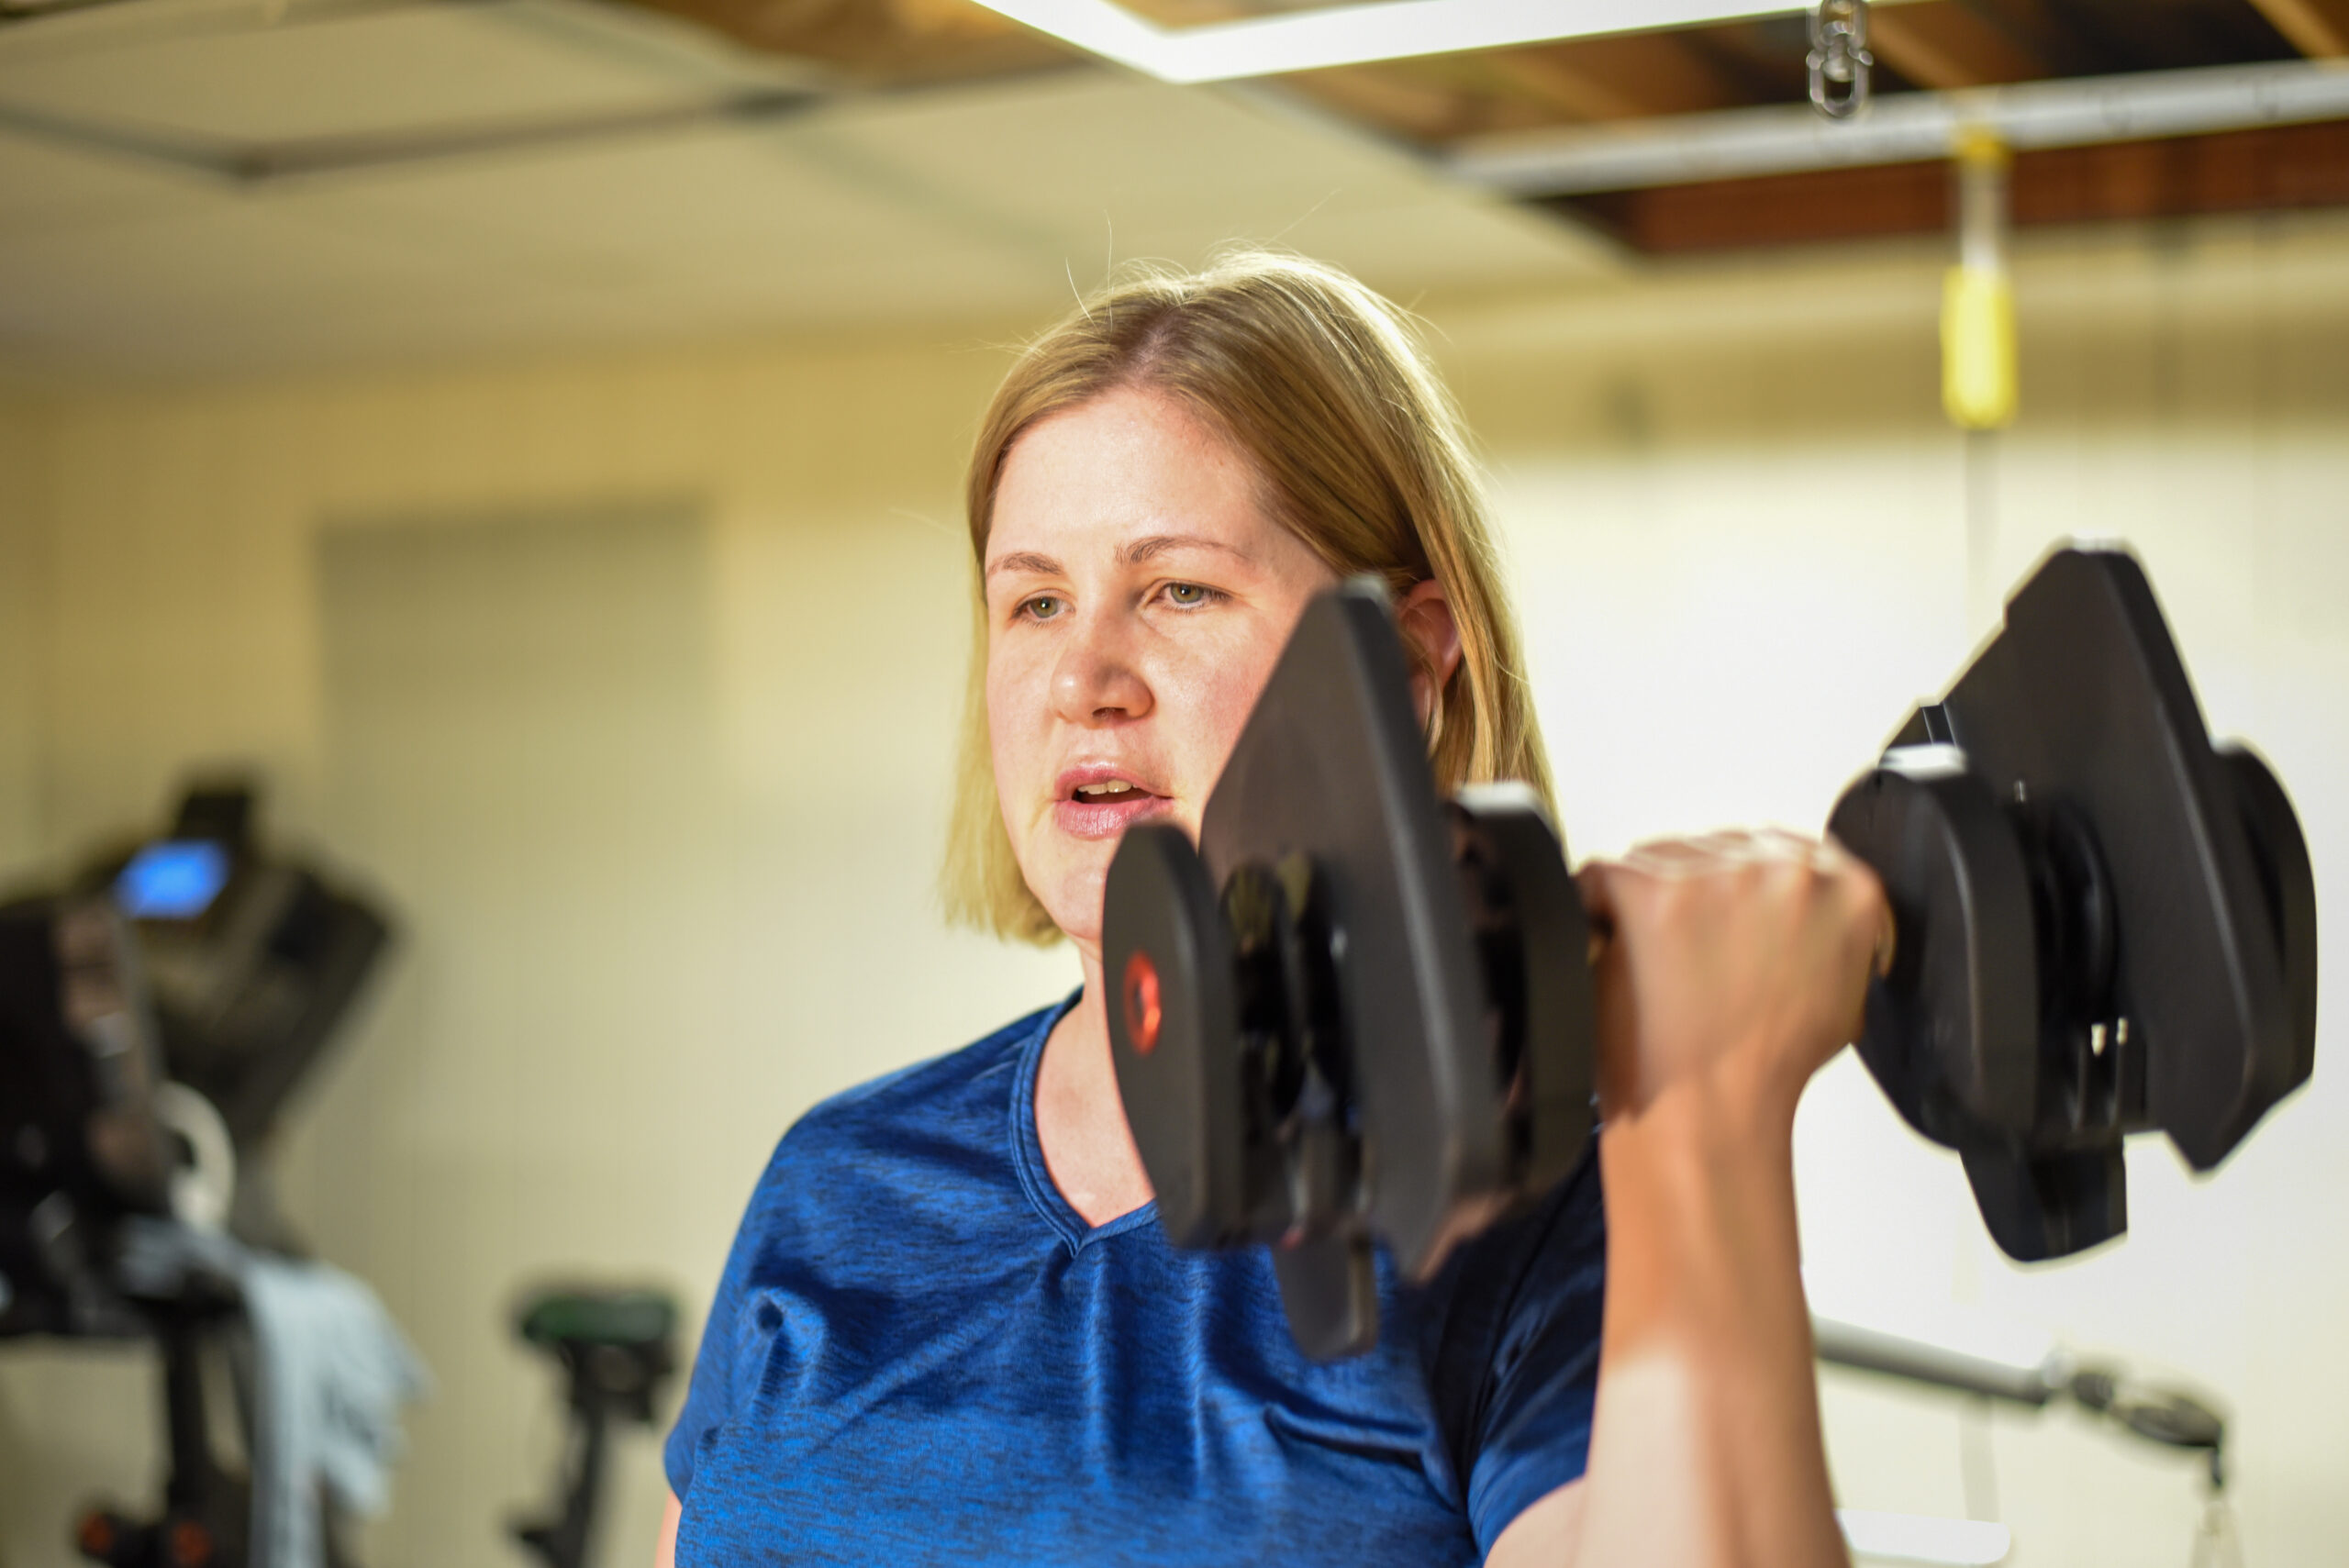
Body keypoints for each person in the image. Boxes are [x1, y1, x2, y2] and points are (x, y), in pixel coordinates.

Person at [655, 252, 1885, 1566]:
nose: (1084, 677)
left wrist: (1704, 1113)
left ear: (1411, 659)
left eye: (1178, 588)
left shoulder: (1537, 1198)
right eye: (1035, 602)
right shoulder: (836, 1179)